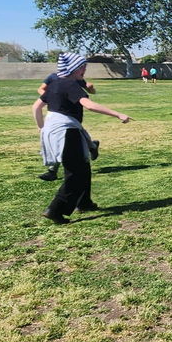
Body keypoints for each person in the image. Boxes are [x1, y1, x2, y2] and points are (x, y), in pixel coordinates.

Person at [41, 53, 132, 224]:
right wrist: (118, 114)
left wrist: (42, 127)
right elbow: (89, 105)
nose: (84, 70)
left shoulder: (54, 84)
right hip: (67, 131)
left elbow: (36, 106)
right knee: (76, 172)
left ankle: (84, 202)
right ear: (74, 68)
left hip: (57, 129)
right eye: (82, 67)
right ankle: (55, 209)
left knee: (83, 165)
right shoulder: (70, 84)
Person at [34, 71, 61, 181]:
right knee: (62, 140)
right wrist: (49, 97)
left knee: (61, 141)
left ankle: (52, 171)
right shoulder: (53, 76)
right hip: (55, 112)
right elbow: (41, 89)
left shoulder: (74, 77)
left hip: (69, 112)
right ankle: (91, 145)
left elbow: (87, 88)